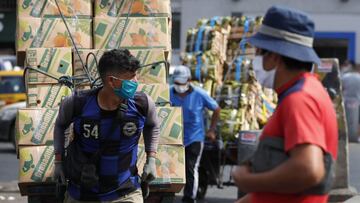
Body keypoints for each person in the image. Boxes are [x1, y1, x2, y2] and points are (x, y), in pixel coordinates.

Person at [231, 5, 338, 203]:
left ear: (273, 57)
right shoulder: (305, 90)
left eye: (258, 52)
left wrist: (250, 181)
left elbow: (308, 169)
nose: (255, 60)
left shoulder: (300, 99)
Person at [53, 49, 160, 203]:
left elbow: (153, 125)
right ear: (111, 81)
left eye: (136, 75)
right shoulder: (77, 103)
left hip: (125, 192)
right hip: (81, 193)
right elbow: (60, 125)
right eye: (131, 77)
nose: (136, 82)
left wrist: (151, 159)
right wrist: (58, 162)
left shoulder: (142, 104)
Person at [170, 65, 221, 203]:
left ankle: (189, 198)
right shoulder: (168, 92)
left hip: (194, 137)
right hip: (174, 138)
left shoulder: (199, 94)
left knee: (191, 167)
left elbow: (216, 109)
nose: (179, 86)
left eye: (182, 83)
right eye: (176, 83)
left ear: (189, 80)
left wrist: (211, 130)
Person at [342, 64, 360, 142]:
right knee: (358, 120)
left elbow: (341, 88)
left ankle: (344, 135)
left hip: (346, 100)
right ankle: (357, 136)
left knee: (345, 118)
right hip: (357, 101)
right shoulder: (359, 77)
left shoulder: (345, 77)